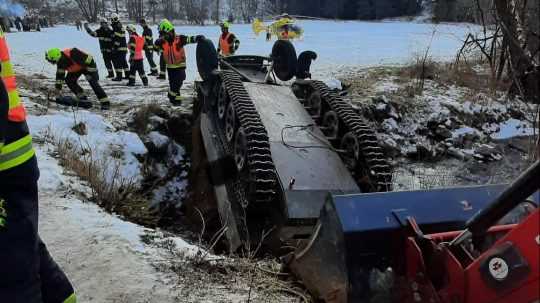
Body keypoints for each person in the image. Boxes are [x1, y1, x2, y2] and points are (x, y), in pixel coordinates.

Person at [0, 28, 77, 303]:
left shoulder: (73, 55)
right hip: (11, 155)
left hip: (7, 161)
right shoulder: (62, 60)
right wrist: (57, 90)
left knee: (11, 274)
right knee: (21, 243)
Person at [154, 20, 203, 105]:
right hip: (170, 68)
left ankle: (171, 95)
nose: (162, 36)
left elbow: (189, 39)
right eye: (161, 35)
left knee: (178, 83)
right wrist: (156, 43)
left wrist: (197, 38)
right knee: (174, 86)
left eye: (163, 34)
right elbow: (155, 49)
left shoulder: (179, 39)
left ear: (169, 31)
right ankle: (177, 102)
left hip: (180, 67)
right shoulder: (163, 42)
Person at [45, 48, 110, 110]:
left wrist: (88, 74)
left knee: (93, 82)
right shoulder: (60, 62)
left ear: (57, 57)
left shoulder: (73, 53)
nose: (53, 63)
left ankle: (105, 103)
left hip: (88, 66)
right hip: (77, 68)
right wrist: (58, 89)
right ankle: (82, 98)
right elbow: (60, 76)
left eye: (52, 61)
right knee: (69, 81)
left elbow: (88, 60)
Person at [110, 13, 129, 81]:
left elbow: (117, 38)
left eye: (114, 19)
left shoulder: (116, 27)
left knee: (118, 62)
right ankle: (127, 75)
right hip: (123, 47)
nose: (113, 21)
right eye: (112, 19)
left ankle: (119, 77)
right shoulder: (120, 26)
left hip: (119, 48)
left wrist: (115, 47)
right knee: (124, 62)